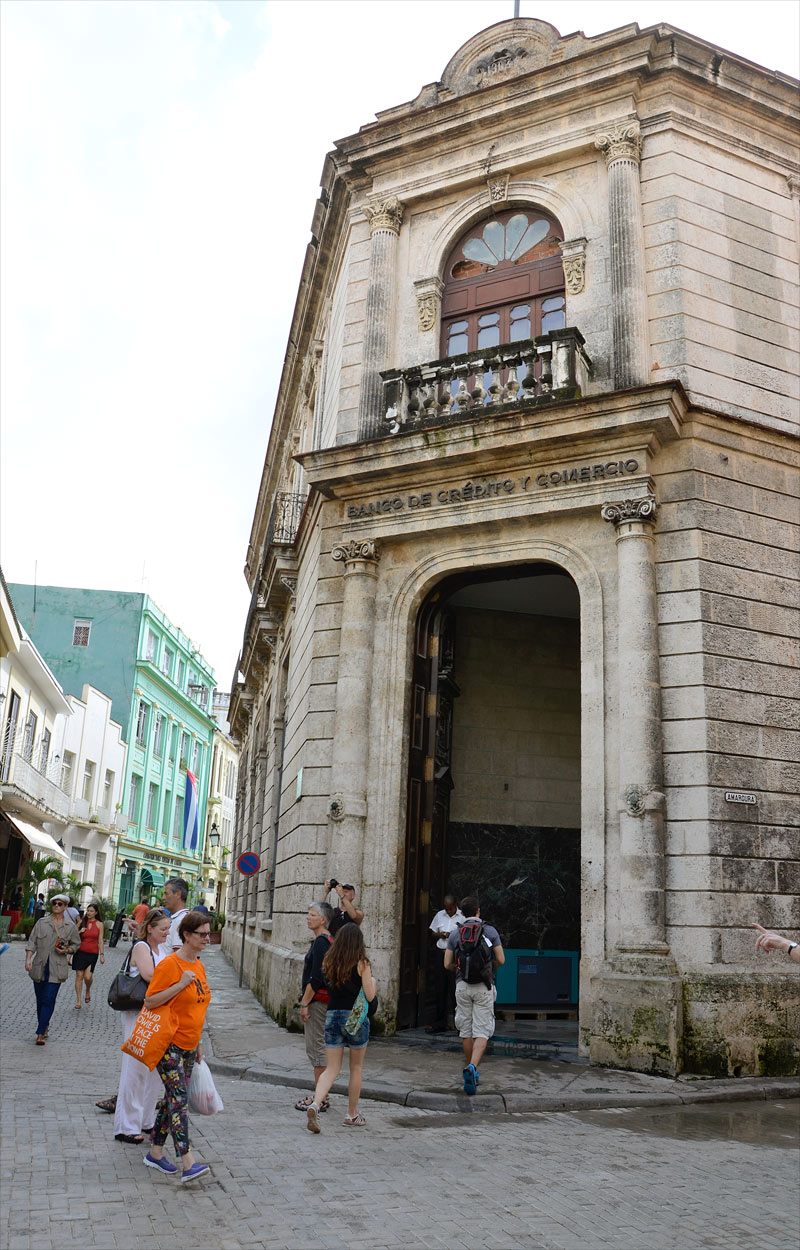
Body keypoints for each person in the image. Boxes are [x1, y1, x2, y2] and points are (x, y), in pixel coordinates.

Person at [143, 909, 213, 1182]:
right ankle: (187, 1161)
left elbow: (199, 1005)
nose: (207, 938)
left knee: (173, 1098)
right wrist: (180, 984)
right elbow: (150, 1001)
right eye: (202, 934)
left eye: (209, 934)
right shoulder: (170, 965)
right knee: (180, 1099)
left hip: (188, 1044)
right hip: (167, 1042)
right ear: (186, 935)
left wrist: (199, 1041)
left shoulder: (199, 965)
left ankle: (155, 1153)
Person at [305, 922, 376, 1134]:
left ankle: (316, 1104)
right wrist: (371, 980)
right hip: (354, 1017)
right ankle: (352, 1114)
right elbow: (370, 996)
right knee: (356, 1068)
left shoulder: (329, 960)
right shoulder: (361, 962)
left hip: (332, 1015)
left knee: (331, 1069)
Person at [111, 908, 171, 1144]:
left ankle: (145, 1120)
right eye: (163, 929)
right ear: (150, 929)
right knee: (134, 1068)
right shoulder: (142, 947)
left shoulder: (161, 948)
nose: (167, 932)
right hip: (138, 1012)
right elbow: (151, 975)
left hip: (156, 1013)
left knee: (153, 1068)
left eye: (168, 928)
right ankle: (126, 1125)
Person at [444, 896, 504, 1095]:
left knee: (466, 1031)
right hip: (483, 986)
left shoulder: (455, 934)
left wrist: (460, 968)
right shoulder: (490, 931)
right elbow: (501, 959)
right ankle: (472, 1068)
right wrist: (488, 968)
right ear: (478, 911)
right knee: (482, 1031)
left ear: (462, 912)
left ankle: (471, 1068)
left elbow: (447, 964)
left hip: (462, 985)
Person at [24, 893, 81, 1045]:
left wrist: (67, 950)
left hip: (57, 968)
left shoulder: (70, 927)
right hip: (39, 966)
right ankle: (45, 1024)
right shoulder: (42, 923)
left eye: (60, 904)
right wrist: (28, 959)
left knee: (49, 998)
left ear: (65, 907)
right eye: (54, 903)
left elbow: (76, 944)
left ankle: (40, 1032)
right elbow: (32, 942)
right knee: (40, 999)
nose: (56, 906)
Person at [296, 901, 334, 1112]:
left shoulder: (322, 942)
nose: (307, 917)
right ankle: (322, 1094)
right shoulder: (326, 940)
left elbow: (317, 977)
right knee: (320, 1048)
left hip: (318, 1002)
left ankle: (321, 1098)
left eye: (312, 914)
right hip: (321, 1001)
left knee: (317, 1049)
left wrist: (305, 1002)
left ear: (322, 919)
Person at [427, 894, 464, 1033]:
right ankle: (440, 1022)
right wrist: (440, 935)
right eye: (446, 909)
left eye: (450, 908)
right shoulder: (439, 915)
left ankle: (459, 1023)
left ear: (455, 905)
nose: (448, 911)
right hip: (441, 952)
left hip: (455, 955)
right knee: (440, 988)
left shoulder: (462, 917)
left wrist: (453, 936)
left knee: (456, 988)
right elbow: (431, 932)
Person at [73, 902, 105, 1007]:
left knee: (88, 977)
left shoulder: (99, 924)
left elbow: (100, 940)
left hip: (92, 953)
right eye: (88, 910)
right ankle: (78, 1001)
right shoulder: (82, 922)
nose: (89, 913)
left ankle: (87, 990)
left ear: (96, 912)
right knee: (79, 976)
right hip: (80, 952)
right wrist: (80, 931)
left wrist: (102, 954)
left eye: (91, 911)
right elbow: (72, 934)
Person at [159, 878, 189, 955]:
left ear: (178, 894)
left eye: (166, 894)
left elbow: (178, 957)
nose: (163, 898)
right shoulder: (177, 918)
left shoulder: (181, 921)